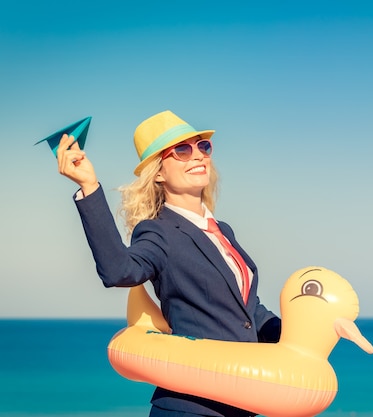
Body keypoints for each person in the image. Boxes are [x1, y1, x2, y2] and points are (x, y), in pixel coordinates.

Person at [56, 110, 281, 417]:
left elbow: (247, 310)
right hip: (191, 407)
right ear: (158, 172)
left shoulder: (222, 231)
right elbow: (118, 270)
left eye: (203, 146)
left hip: (241, 405)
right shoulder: (158, 231)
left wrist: (306, 332)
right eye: (182, 150)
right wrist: (89, 186)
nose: (197, 156)